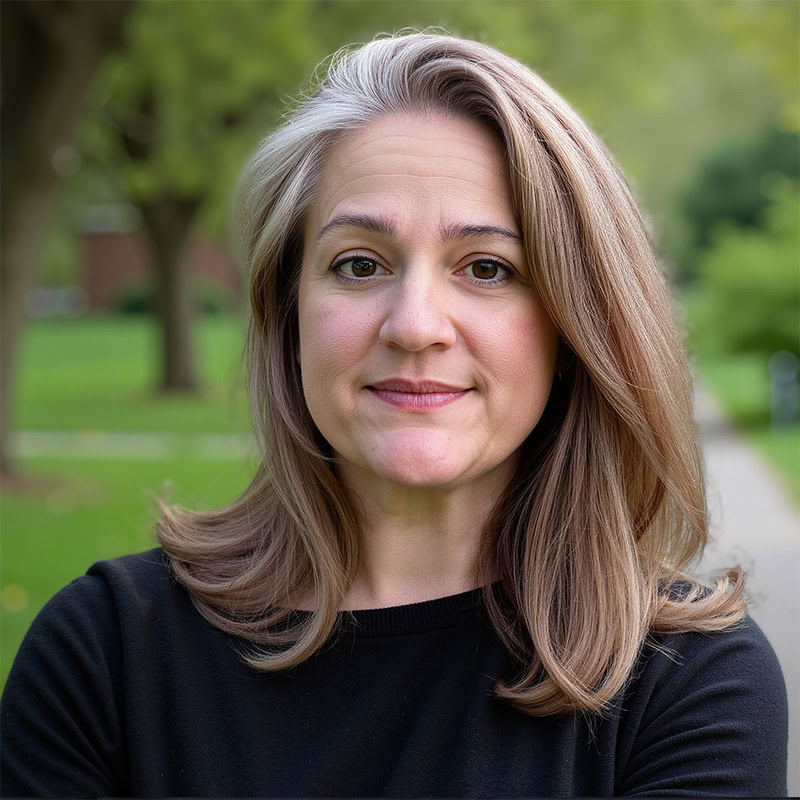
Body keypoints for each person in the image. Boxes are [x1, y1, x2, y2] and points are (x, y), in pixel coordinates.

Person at [1, 31, 788, 797]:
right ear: (289, 311)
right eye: (359, 264)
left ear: (575, 325)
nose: (414, 325)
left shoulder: (687, 686)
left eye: (487, 268)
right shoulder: (106, 655)